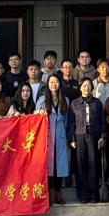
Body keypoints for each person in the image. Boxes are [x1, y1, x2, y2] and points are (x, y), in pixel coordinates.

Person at [67, 79, 106, 203]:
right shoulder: (74, 103)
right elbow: (71, 122)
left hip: (94, 136)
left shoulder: (97, 102)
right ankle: (83, 195)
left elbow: (102, 120)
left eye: (89, 85)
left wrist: (103, 136)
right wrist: (71, 139)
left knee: (93, 165)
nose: (86, 88)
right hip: (79, 136)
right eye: (84, 86)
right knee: (81, 165)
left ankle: (94, 194)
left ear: (92, 88)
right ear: (80, 88)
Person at [40, 74, 70, 204]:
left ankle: (58, 192)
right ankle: (50, 193)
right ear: (47, 84)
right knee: (49, 165)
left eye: (56, 82)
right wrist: (39, 112)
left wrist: (69, 137)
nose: (54, 84)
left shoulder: (65, 100)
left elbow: (68, 119)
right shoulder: (42, 99)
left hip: (61, 136)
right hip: (47, 136)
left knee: (59, 165)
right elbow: (35, 116)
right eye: (51, 82)